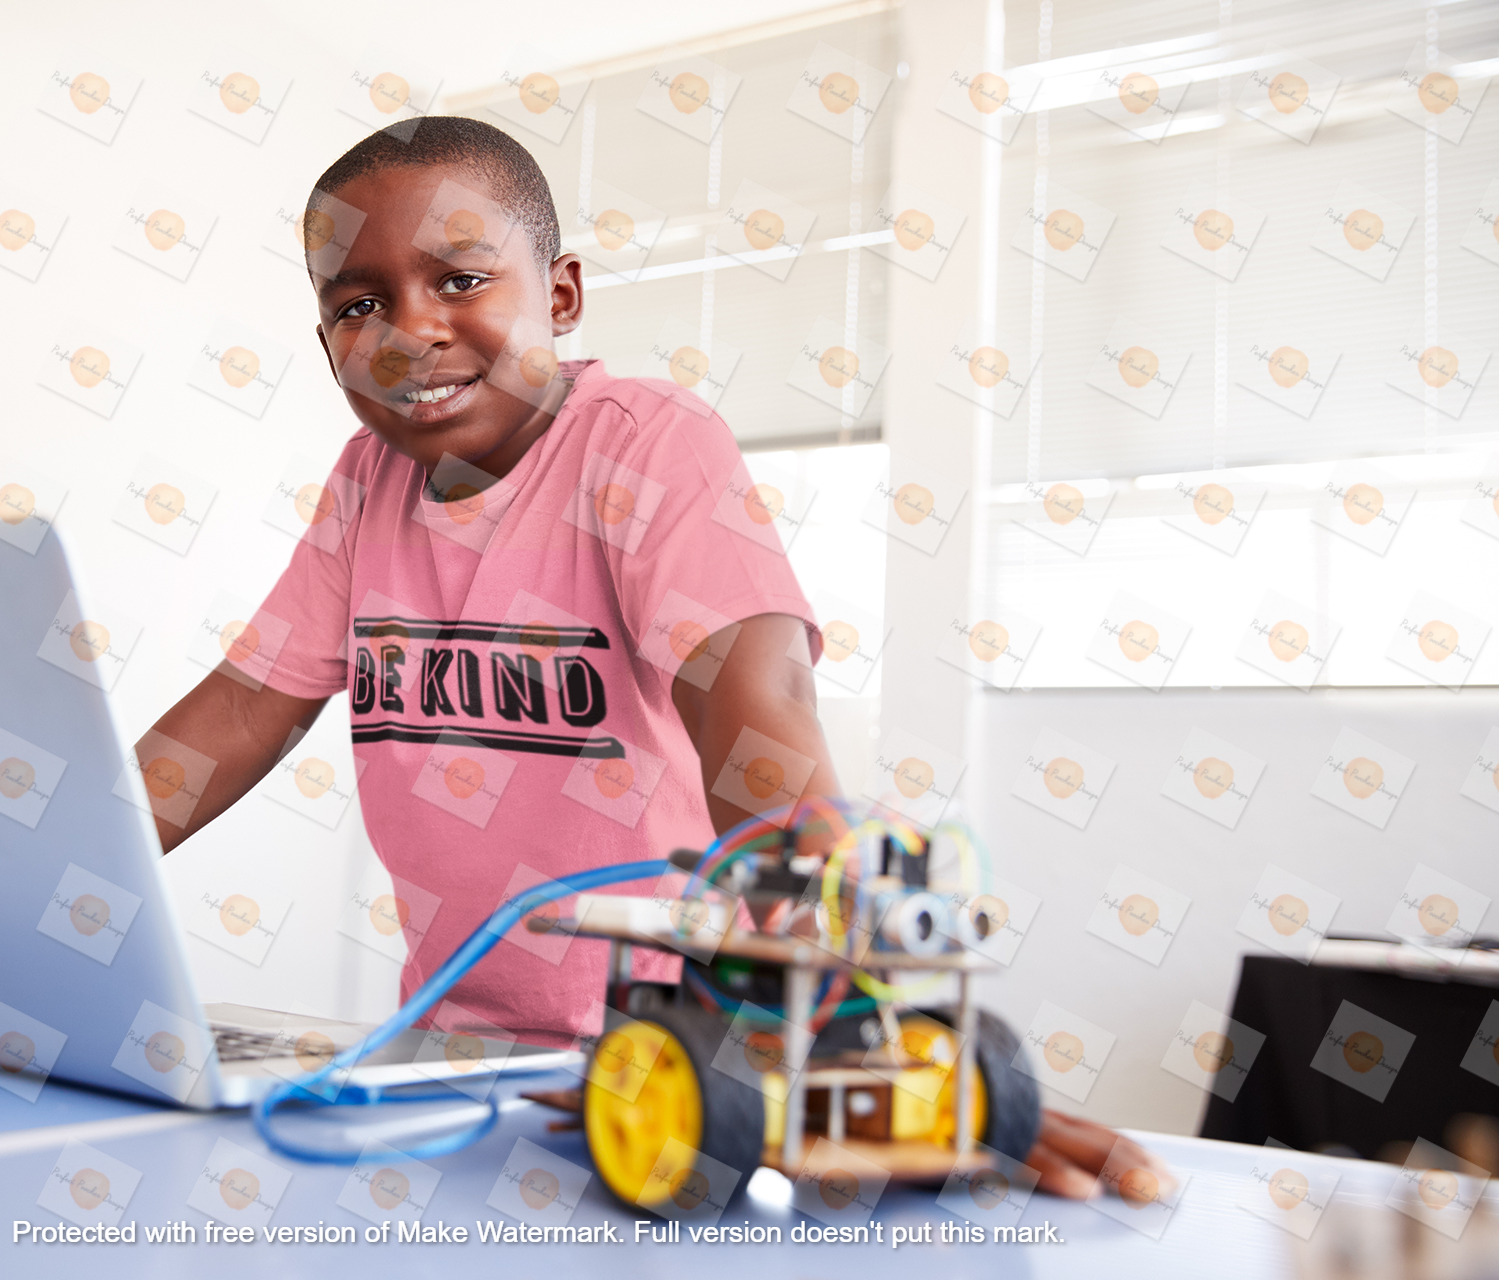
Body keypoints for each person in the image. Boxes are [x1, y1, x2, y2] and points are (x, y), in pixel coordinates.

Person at [144, 115, 1168, 1197]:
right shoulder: (367, 481)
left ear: (562, 296)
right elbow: (245, 707)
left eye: (460, 280)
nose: (410, 330)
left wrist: (854, 1029)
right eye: (359, 305)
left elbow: (756, 703)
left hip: (681, 1066)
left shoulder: (645, 442)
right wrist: (50, 862)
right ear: (325, 344)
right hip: (454, 1064)